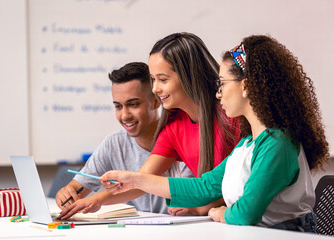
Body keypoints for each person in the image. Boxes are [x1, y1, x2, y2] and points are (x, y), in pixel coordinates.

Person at [100, 35, 330, 232]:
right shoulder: (247, 144)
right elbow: (205, 187)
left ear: (245, 86)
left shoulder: (277, 143)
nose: (218, 94)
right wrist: (135, 180)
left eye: (222, 84)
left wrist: (219, 212)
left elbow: (245, 213)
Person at [57, 33, 239, 220]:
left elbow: (249, 181)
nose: (155, 89)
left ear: (188, 76)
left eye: (163, 79)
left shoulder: (233, 114)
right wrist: (96, 200)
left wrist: (206, 206)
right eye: (153, 79)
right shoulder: (173, 126)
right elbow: (142, 180)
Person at [55, 62, 194, 214]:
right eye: (118, 106)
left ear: (156, 101)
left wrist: (98, 199)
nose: (125, 116)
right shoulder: (113, 144)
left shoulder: (182, 139)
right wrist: (67, 193)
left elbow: (196, 196)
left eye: (133, 105)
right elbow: (77, 188)